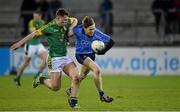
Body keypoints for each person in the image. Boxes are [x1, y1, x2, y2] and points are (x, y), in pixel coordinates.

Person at [11, 8, 80, 108]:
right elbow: (33, 34)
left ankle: (73, 103)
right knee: (55, 87)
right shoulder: (49, 27)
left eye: (66, 20)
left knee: (76, 78)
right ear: (58, 18)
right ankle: (42, 79)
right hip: (54, 59)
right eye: (64, 20)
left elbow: (75, 20)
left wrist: (71, 28)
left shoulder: (67, 21)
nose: (66, 22)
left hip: (65, 57)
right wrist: (19, 43)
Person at [66, 16, 114, 103]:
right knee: (97, 70)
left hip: (91, 56)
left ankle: (71, 89)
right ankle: (101, 94)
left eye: (93, 28)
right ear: (84, 28)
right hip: (80, 55)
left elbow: (111, 42)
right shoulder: (77, 29)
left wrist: (103, 51)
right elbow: (68, 28)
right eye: (90, 29)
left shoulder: (96, 33)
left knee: (82, 76)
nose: (92, 31)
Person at [13, 10, 48, 86]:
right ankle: (17, 77)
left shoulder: (42, 22)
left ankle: (38, 75)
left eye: (36, 16)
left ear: (40, 16)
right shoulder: (31, 22)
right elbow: (34, 33)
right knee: (26, 63)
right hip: (30, 45)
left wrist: (41, 32)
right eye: (34, 16)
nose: (34, 18)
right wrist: (41, 32)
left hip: (38, 44)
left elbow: (42, 32)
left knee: (46, 58)